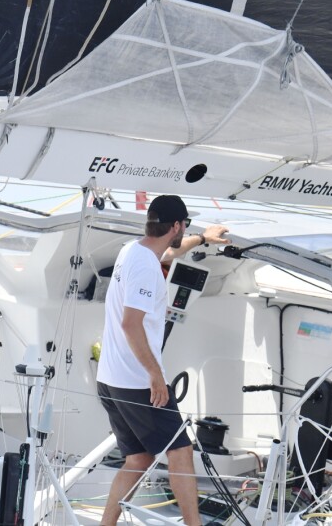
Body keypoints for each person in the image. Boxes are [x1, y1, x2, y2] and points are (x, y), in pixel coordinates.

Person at [96, 195, 230, 525]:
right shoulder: (144, 266)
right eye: (186, 225)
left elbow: (169, 251)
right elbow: (131, 324)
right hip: (137, 382)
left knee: (139, 459)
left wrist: (202, 239)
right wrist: (155, 375)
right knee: (181, 451)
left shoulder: (134, 250)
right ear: (176, 225)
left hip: (110, 379)